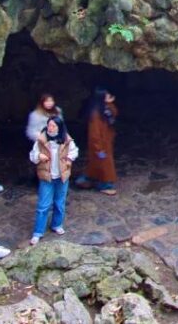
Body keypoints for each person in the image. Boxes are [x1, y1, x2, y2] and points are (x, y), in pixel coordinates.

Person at [29, 115, 79, 245]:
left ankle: (57, 224)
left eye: (53, 126)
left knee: (59, 203)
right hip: (47, 176)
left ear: (59, 127)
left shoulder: (66, 140)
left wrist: (69, 160)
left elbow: (74, 151)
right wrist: (39, 156)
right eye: (49, 125)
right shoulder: (41, 140)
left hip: (62, 176)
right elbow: (33, 155)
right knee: (43, 205)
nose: (50, 128)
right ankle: (38, 232)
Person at [75, 87, 118, 195]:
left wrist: (110, 103)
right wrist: (98, 149)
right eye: (107, 96)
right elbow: (94, 134)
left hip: (106, 142)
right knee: (103, 165)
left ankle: (85, 180)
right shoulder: (95, 115)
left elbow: (114, 113)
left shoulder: (105, 110)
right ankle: (104, 184)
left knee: (97, 165)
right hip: (99, 145)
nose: (110, 97)